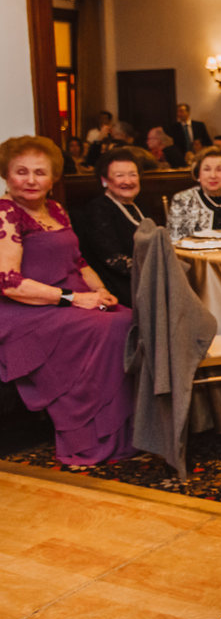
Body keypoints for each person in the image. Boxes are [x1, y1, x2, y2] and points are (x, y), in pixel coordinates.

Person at [0, 135, 135, 465]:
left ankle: (123, 433)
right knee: (111, 327)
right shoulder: (6, 212)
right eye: (22, 171)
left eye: (40, 172)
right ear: (6, 174)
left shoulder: (57, 209)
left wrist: (101, 292)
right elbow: (8, 282)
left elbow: (79, 262)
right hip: (25, 310)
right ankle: (86, 436)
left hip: (69, 300)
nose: (31, 180)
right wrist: (74, 298)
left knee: (128, 316)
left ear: (53, 178)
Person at [74, 148, 150, 308]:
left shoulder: (137, 206)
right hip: (117, 286)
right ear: (105, 181)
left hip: (143, 278)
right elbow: (113, 259)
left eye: (132, 174)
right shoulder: (98, 210)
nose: (128, 181)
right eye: (119, 175)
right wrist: (155, 271)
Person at [167, 146, 221, 241]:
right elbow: (174, 240)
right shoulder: (183, 199)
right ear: (198, 174)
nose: (213, 175)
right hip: (198, 254)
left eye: (219, 170)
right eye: (207, 169)